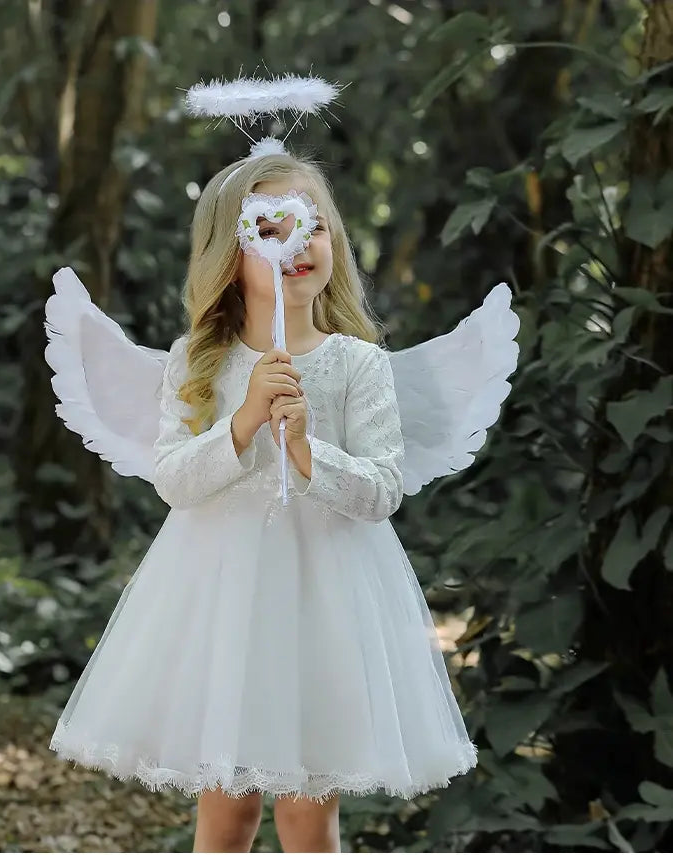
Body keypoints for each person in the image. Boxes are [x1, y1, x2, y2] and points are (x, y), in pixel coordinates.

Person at [48, 150, 480, 853]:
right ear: (230, 253)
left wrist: (310, 452)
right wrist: (244, 420)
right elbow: (175, 481)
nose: (298, 245)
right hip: (228, 605)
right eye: (270, 230)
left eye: (313, 227)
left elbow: (382, 491)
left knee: (309, 812)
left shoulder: (356, 363)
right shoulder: (199, 362)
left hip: (325, 601)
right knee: (228, 811)